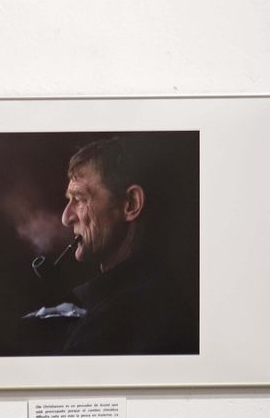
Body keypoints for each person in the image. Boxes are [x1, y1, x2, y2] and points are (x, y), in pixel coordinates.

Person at [54, 135, 198, 355]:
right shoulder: (156, 294)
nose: (66, 217)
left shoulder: (120, 317)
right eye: (69, 199)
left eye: (80, 199)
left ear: (131, 204)